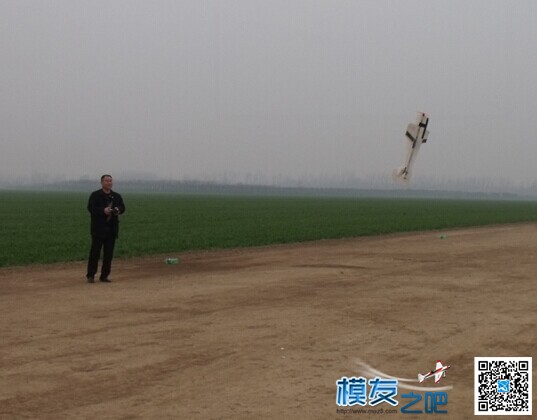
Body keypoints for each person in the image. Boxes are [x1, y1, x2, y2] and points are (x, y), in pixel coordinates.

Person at [86, 174, 125, 283]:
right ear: (102, 182)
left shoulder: (117, 196)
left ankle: (104, 276)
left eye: (110, 181)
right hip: (98, 229)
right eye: (107, 181)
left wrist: (118, 209)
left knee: (108, 254)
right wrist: (103, 211)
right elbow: (91, 208)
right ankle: (91, 275)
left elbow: (122, 207)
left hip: (112, 229)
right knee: (95, 253)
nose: (109, 183)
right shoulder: (95, 195)